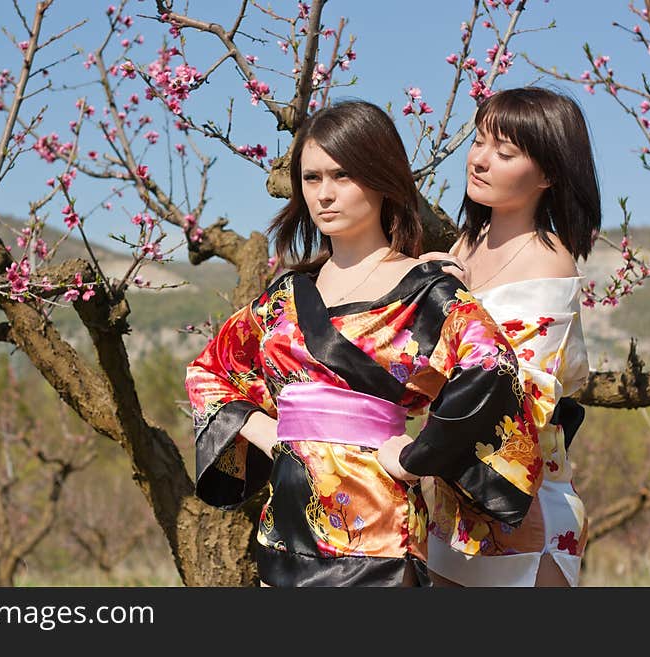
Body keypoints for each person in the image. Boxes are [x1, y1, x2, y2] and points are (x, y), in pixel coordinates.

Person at [185, 99, 540, 587]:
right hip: (283, 530)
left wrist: (418, 458)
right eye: (312, 179)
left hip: (378, 533)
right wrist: (270, 433)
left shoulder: (425, 291)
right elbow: (209, 372)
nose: (325, 194)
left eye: (343, 176)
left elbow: (493, 369)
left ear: (380, 178)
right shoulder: (283, 299)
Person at [423, 86, 599, 587]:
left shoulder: (548, 260)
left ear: (548, 173)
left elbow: (511, 387)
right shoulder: (465, 244)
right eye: (479, 142)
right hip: (454, 498)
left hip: (522, 497)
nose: (480, 160)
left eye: (504, 152)